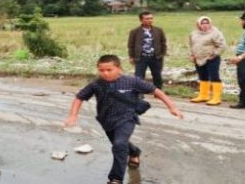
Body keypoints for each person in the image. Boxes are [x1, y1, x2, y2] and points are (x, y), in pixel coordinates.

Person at [64, 54, 183, 184]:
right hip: (106, 120)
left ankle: (115, 179)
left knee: (119, 144)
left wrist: (172, 107)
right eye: (101, 70)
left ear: (119, 69)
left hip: (127, 118)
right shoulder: (96, 84)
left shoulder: (132, 81)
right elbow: (79, 97)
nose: (105, 73)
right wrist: (73, 115)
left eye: (109, 70)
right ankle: (135, 152)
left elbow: (156, 91)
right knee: (120, 144)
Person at [188, 15, 226, 105]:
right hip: (198, 58)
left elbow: (222, 45)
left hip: (211, 58)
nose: (205, 25)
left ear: (210, 24)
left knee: (214, 77)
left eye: (207, 23)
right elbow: (191, 45)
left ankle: (216, 98)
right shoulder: (194, 34)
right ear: (198, 24)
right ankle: (203, 96)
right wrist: (192, 55)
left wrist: (214, 54)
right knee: (202, 77)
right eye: (202, 23)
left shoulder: (215, 33)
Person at [127, 11, 167, 89]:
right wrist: (131, 56)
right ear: (141, 20)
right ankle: (139, 93)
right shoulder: (134, 31)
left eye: (151, 18)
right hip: (141, 57)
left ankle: (158, 91)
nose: (150, 20)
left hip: (156, 57)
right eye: (147, 19)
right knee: (139, 76)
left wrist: (162, 54)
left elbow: (163, 42)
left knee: (157, 75)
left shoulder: (158, 30)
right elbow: (130, 45)